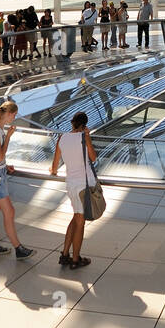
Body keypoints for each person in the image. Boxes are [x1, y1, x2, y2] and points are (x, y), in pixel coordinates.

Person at [0, 100, 36, 258]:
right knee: (9, 211)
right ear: (8, 114)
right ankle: (18, 249)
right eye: (14, 114)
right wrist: (9, 138)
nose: (14, 117)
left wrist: (5, 166)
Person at [50, 112, 97, 269]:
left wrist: (53, 171)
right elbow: (93, 157)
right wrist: (87, 136)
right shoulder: (84, 137)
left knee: (76, 217)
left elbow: (55, 165)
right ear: (84, 125)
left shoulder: (62, 138)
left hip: (70, 185)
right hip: (84, 186)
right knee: (80, 223)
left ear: (72, 123)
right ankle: (76, 259)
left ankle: (64, 255)